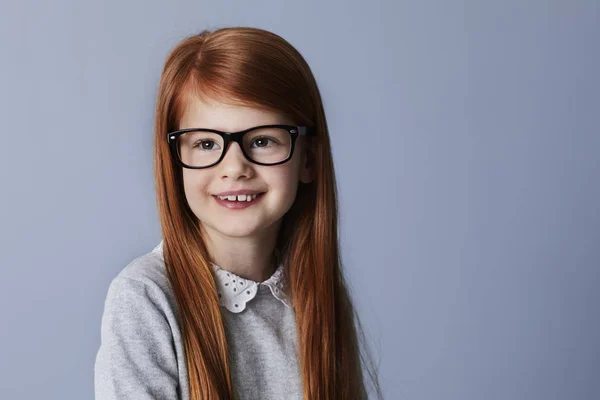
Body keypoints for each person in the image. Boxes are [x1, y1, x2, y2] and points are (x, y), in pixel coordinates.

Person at [94, 26, 382, 400]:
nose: (234, 168)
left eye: (262, 140)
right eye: (206, 143)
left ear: (308, 159)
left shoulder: (317, 291)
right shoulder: (145, 298)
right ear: (175, 161)